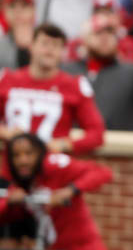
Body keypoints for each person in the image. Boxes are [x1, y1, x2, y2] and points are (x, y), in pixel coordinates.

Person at [0, 133, 113, 250]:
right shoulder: (17, 183)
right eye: (16, 156)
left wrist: (70, 190)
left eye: (29, 154)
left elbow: (102, 172)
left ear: (40, 153)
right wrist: (10, 202)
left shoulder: (55, 164)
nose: (22, 161)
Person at [0, 24, 105, 154]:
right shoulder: (6, 79)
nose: (50, 50)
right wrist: (6, 133)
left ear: (63, 52)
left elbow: (97, 134)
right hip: (11, 166)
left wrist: (65, 144)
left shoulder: (74, 84)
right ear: (31, 46)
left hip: (52, 165)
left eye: (56, 45)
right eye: (45, 43)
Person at [63, 15, 133, 131]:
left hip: (119, 146)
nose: (105, 38)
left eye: (110, 33)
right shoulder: (68, 72)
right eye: (98, 33)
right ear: (84, 40)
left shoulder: (131, 72)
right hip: (75, 143)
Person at [0, 0, 35, 70]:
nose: (18, 11)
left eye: (24, 6)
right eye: (12, 6)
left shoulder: (44, 42)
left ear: (33, 11)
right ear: (4, 12)